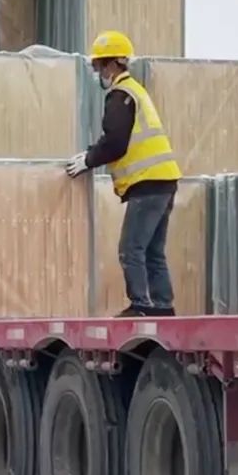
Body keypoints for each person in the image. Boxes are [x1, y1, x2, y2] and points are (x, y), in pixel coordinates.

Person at [65, 30, 182, 318]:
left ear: (112, 64)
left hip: (147, 182)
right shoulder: (137, 91)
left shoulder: (121, 95)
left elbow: (116, 141)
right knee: (153, 251)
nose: (97, 74)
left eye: (98, 66)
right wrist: (94, 153)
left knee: (130, 248)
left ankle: (141, 306)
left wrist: (89, 160)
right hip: (164, 180)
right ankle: (163, 308)